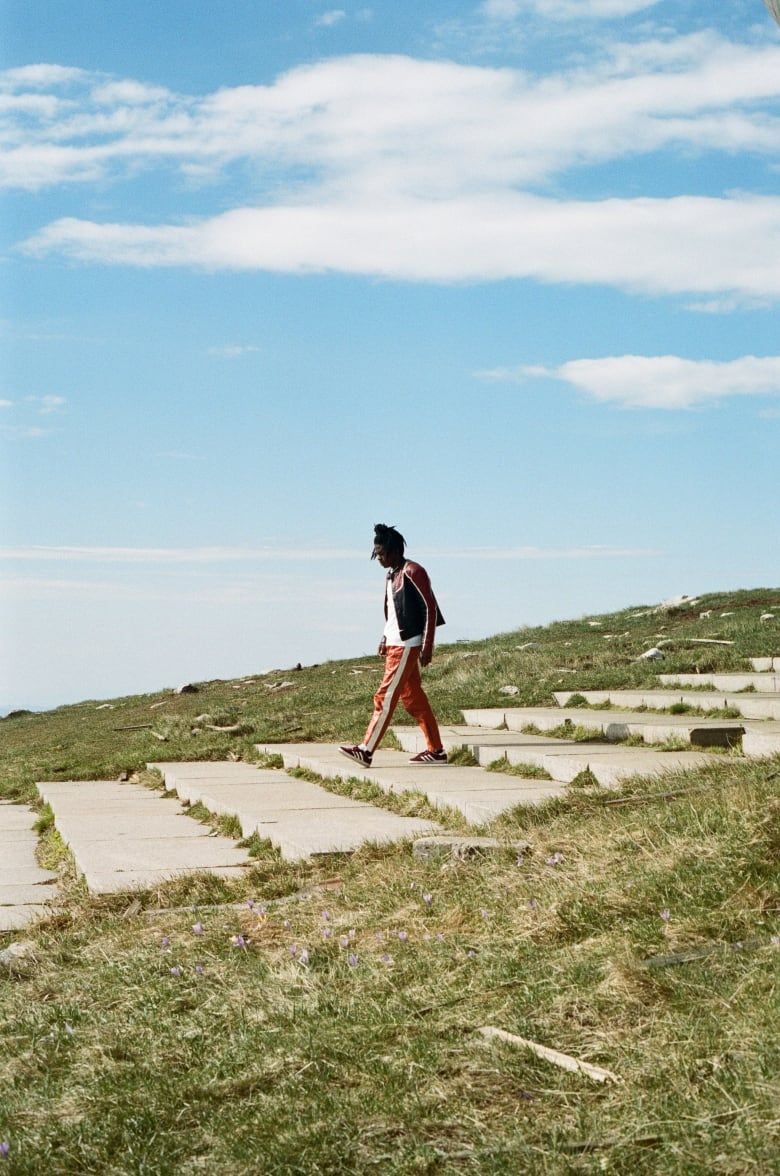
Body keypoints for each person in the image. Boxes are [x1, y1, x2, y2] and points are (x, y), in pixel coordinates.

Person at [339, 523, 447, 767]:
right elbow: (393, 613)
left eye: (381, 553)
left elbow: (429, 608)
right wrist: (384, 638)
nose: (378, 558)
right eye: (376, 553)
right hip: (395, 644)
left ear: (395, 550)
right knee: (413, 699)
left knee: (384, 697)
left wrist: (427, 645)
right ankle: (436, 750)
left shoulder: (413, 571)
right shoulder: (391, 575)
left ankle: (366, 750)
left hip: (407, 645)